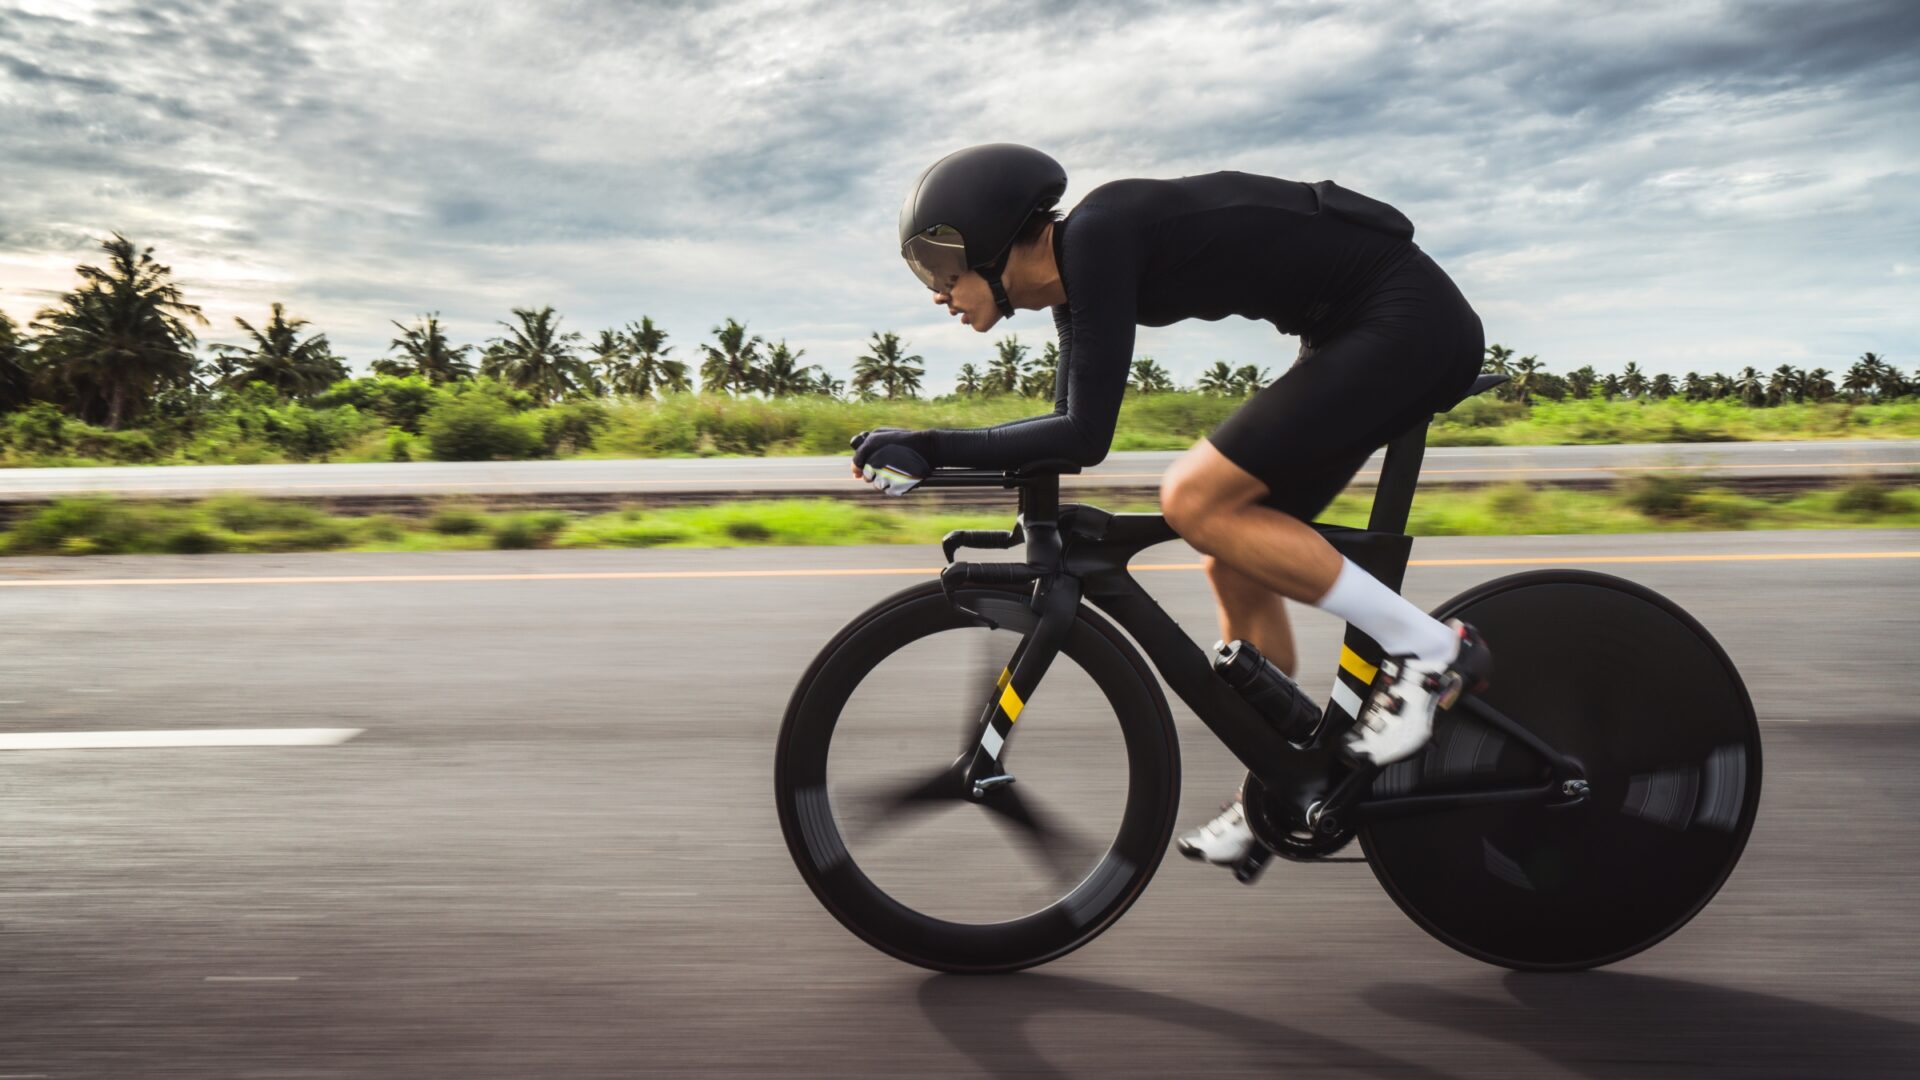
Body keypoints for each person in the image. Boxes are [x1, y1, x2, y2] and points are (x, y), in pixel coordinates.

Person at [853, 143, 1491, 870]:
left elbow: (1083, 436)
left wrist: (932, 445)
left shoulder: (1097, 235)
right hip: (1356, 330)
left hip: (1406, 321)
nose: (938, 290)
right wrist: (934, 455)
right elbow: (1068, 435)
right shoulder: (1079, 285)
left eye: (941, 265)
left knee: (1194, 499)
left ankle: (1433, 652)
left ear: (995, 239)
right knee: (1232, 552)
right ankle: (1288, 779)